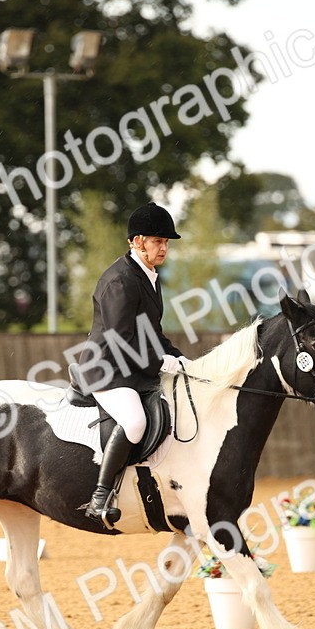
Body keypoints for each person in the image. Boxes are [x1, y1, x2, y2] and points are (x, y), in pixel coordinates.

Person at [78, 201, 190, 524]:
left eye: (166, 242)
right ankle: (100, 497)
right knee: (135, 421)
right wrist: (160, 363)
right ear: (138, 241)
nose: (163, 248)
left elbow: (153, 333)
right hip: (107, 370)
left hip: (133, 368)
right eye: (158, 241)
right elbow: (121, 339)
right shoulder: (120, 280)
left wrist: (180, 358)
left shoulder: (150, 276)